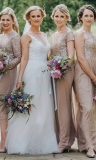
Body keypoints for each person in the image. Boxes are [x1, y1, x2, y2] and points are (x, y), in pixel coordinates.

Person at [5, 6, 58, 154]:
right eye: (33, 16)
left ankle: (42, 142)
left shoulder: (44, 34)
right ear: (28, 18)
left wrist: (54, 65)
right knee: (32, 106)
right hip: (31, 72)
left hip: (45, 74)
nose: (36, 18)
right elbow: (24, 58)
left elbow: (47, 56)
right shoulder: (26, 36)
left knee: (43, 107)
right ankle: (22, 143)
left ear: (42, 17)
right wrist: (19, 79)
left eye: (38, 16)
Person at [0, 7, 21, 153]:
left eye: (8, 20)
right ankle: (4, 141)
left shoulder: (15, 36)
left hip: (8, 74)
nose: (5, 22)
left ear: (13, 21)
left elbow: (18, 57)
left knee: (1, 104)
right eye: (3, 20)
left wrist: (5, 66)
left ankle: (3, 144)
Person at [73, 5, 96, 158]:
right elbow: (80, 57)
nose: (89, 18)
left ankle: (91, 141)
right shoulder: (78, 34)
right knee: (86, 106)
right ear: (80, 18)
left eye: (91, 15)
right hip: (82, 73)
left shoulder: (94, 35)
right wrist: (92, 77)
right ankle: (88, 146)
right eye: (86, 15)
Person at [50, 4, 76, 153]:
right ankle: (59, 138)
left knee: (63, 105)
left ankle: (64, 142)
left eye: (62, 16)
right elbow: (52, 55)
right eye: (57, 16)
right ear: (53, 17)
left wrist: (61, 67)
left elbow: (71, 57)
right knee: (57, 107)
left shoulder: (68, 33)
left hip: (65, 72)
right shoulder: (54, 35)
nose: (59, 19)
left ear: (66, 17)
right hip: (55, 72)